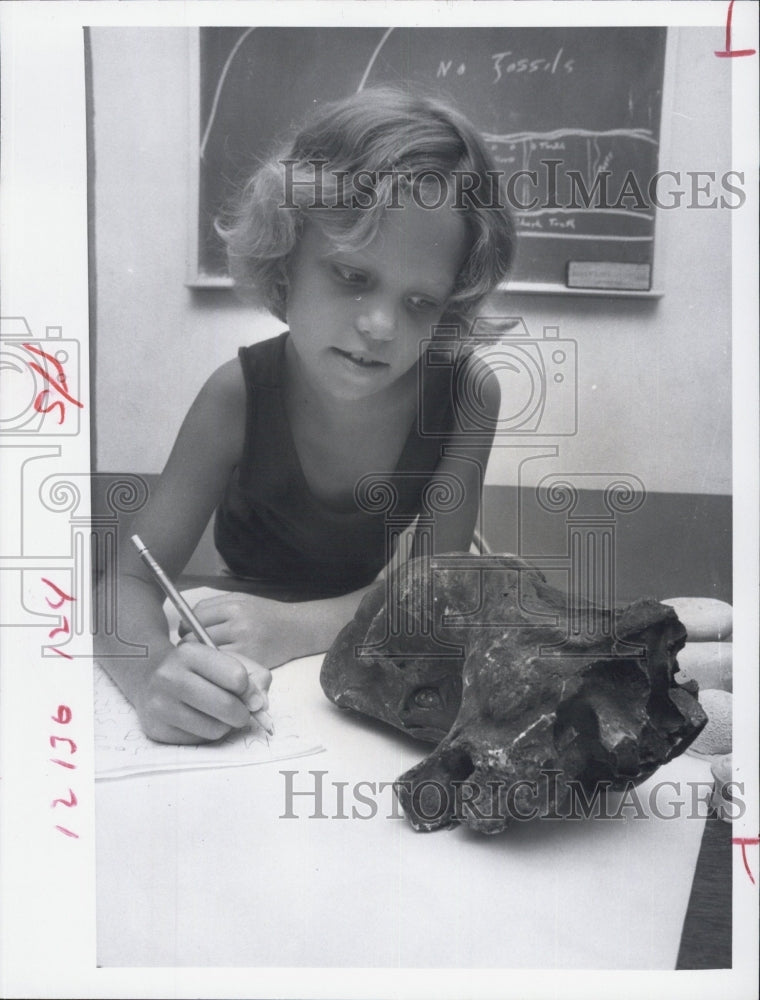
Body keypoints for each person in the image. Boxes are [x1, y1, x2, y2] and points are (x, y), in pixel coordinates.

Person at [95, 86, 515, 744]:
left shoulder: (467, 394)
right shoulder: (234, 394)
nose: (380, 326)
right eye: (351, 276)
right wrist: (152, 680)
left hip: (367, 661)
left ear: (452, 303)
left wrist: (294, 628)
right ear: (285, 256)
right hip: (236, 646)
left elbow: (432, 602)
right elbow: (124, 582)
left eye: (420, 301)